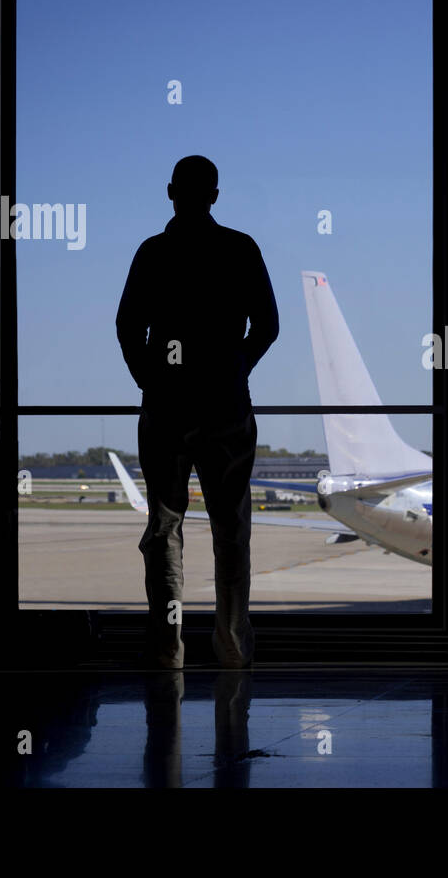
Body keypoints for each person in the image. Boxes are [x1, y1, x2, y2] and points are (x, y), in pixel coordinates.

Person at [116, 156, 279, 668]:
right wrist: (236, 370)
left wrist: (151, 379)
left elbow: (127, 328)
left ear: (170, 192)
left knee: (164, 528)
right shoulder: (240, 248)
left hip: (166, 407)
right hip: (227, 407)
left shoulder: (154, 253)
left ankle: (168, 649)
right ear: (215, 194)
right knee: (231, 530)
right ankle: (232, 645)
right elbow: (268, 325)